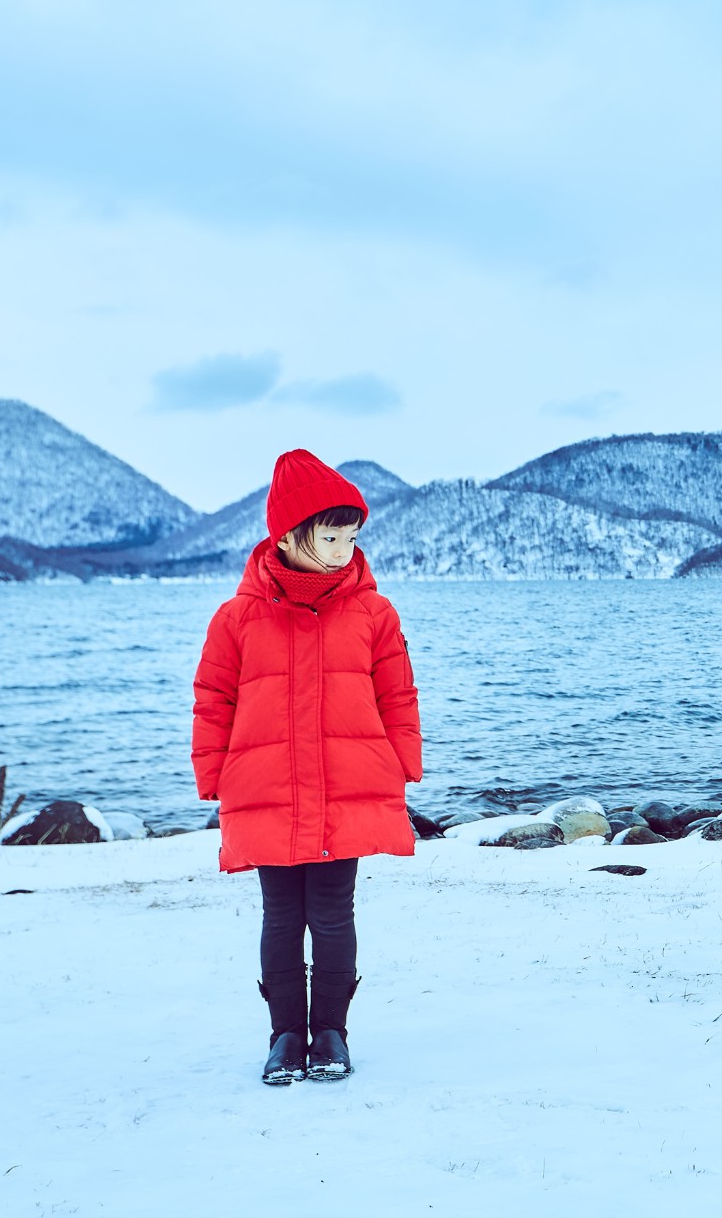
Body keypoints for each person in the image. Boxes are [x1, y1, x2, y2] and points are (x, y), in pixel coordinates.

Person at [191, 449, 422, 1086]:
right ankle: (285, 1036)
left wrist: (401, 767)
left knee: (333, 912)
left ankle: (332, 1034)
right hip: (266, 787)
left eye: (352, 536)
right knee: (280, 915)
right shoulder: (236, 619)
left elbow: (397, 695)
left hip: (347, 785)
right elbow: (214, 699)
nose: (345, 548)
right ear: (289, 536)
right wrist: (213, 776)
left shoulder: (374, 614)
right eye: (330, 536)